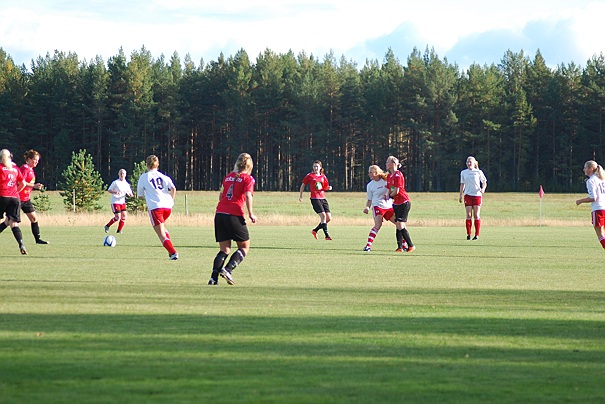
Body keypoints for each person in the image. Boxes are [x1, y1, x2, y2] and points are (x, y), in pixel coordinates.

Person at [209, 153, 257, 286]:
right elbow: (248, 195)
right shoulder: (248, 179)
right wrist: (251, 213)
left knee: (224, 250)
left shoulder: (228, 177)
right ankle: (228, 269)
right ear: (250, 165)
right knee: (244, 247)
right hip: (234, 215)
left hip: (220, 214)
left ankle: (213, 279)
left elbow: (221, 196)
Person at [136, 155, 179, 260]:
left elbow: (140, 195)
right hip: (167, 207)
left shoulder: (144, 177)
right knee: (163, 229)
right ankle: (170, 252)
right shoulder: (163, 176)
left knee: (161, 234)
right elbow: (173, 188)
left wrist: (147, 193)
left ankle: (173, 253)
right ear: (157, 164)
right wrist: (171, 201)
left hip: (156, 207)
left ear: (147, 164)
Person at [0, 149, 28, 255]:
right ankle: (21, 244)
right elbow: (23, 183)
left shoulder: (0, 168)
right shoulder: (15, 168)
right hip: (15, 198)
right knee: (13, 223)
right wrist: (16, 191)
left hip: (2, 196)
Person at [363, 165, 396, 252]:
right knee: (378, 225)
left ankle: (403, 245)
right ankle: (368, 246)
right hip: (378, 206)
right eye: (369, 172)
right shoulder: (370, 185)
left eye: (371, 172)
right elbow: (369, 199)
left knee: (399, 224)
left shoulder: (385, 180)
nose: (369, 174)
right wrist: (367, 207)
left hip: (389, 207)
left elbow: (393, 188)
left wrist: (390, 194)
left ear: (376, 173)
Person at [18, 149, 48, 244]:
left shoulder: (31, 169)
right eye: (35, 160)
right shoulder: (25, 168)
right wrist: (34, 186)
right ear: (29, 159)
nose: (36, 162)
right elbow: (20, 182)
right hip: (18, 198)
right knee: (9, 221)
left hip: (26, 199)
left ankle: (38, 240)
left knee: (34, 219)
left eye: (37, 160)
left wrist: (35, 186)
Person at [386, 156, 415, 252]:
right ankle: (400, 247)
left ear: (393, 164)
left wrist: (389, 196)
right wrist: (387, 195)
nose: (386, 164)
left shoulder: (398, 175)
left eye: (387, 162)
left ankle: (411, 245)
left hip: (403, 202)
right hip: (396, 203)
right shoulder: (389, 176)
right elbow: (389, 188)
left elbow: (397, 191)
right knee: (398, 225)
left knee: (400, 224)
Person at [299, 160, 333, 240]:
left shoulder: (323, 176)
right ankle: (327, 236)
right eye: (314, 166)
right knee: (323, 216)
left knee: (328, 218)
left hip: (323, 198)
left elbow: (325, 187)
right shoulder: (310, 176)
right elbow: (303, 185)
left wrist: (329, 188)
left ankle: (315, 230)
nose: (315, 168)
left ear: (320, 167)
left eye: (317, 166)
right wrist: (301, 196)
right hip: (315, 199)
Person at [575, 160, 605, 250]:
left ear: (591, 169)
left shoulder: (591, 181)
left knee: (600, 235)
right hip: (603, 208)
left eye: (585, 168)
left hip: (598, 209)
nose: (583, 169)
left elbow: (593, 198)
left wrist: (580, 201)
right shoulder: (601, 179)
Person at [459, 156, 487, 240]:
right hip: (468, 195)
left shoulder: (478, 172)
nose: (469, 163)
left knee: (476, 215)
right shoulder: (463, 172)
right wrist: (460, 195)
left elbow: (484, 181)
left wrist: (483, 189)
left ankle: (477, 234)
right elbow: (462, 184)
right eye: (467, 162)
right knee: (468, 215)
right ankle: (468, 234)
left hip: (477, 195)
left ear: (474, 163)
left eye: (470, 162)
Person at [105, 169, 134, 234]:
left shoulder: (126, 184)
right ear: (118, 174)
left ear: (125, 175)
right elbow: (109, 190)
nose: (122, 175)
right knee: (117, 217)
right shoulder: (115, 182)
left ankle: (119, 230)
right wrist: (115, 192)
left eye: (123, 173)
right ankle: (107, 226)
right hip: (115, 201)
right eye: (121, 173)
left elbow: (129, 192)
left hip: (122, 202)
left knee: (124, 216)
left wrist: (130, 195)